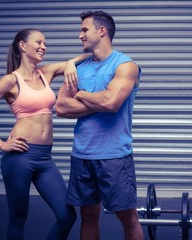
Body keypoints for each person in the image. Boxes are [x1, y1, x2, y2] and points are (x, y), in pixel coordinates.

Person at [0, 28, 90, 240]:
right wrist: (1, 144)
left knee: (66, 215)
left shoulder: (46, 72)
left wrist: (70, 63)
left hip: (45, 158)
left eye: (45, 43)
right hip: (19, 157)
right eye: (39, 42)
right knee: (18, 217)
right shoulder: (10, 81)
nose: (44, 46)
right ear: (22, 46)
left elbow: (88, 56)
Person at [55, 11, 144, 240]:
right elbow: (62, 107)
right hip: (82, 154)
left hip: (114, 156)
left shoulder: (125, 66)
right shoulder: (78, 68)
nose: (80, 36)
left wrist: (82, 94)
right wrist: (99, 100)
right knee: (88, 216)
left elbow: (112, 102)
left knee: (128, 218)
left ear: (101, 31)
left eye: (84, 30)